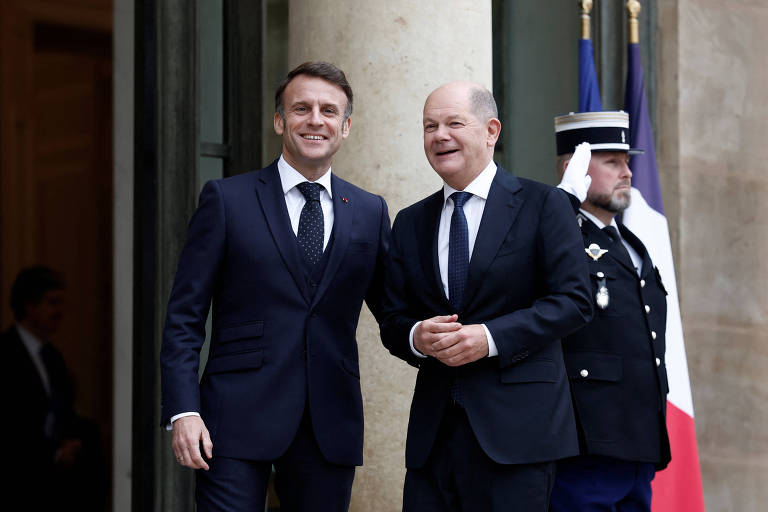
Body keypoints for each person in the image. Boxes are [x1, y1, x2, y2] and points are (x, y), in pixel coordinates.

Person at [160, 61, 390, 512]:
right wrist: (183, 411)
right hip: (232, 422)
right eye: (301, 108)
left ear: (345, 127)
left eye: (328, 111)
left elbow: (394, 308)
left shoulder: (369, 210)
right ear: (280, 121)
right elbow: (184, 317)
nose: (315, 120)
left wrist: (431, 337)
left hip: (329, 425)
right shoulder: (226, 200)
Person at [379, 81, 593, 512]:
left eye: (454, 123)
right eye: (429, 126)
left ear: (491, 130)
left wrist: (490, 337)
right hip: (433, 439)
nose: (439, 135)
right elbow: (393, 317)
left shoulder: (542, 204)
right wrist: (417, 336)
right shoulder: (409, 221)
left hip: (518, 439)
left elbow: (574, 301)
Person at [551, 110, 671, 511]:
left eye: (628, 162)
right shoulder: (559, 233)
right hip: (588, 440)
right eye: (613, 162)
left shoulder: (632, 245)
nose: (628, 174)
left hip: (638, 440)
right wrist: (562, 205)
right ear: (577, 168)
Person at [1, 265, 107, 511]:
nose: (60, 311)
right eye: (52, 302)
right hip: (18, 478)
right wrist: (52, 453)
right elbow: (11, 421)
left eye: (61, 303)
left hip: (54, 480)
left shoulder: (53, 357)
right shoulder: (5, 354)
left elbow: (62, 410)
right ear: (29, 305)